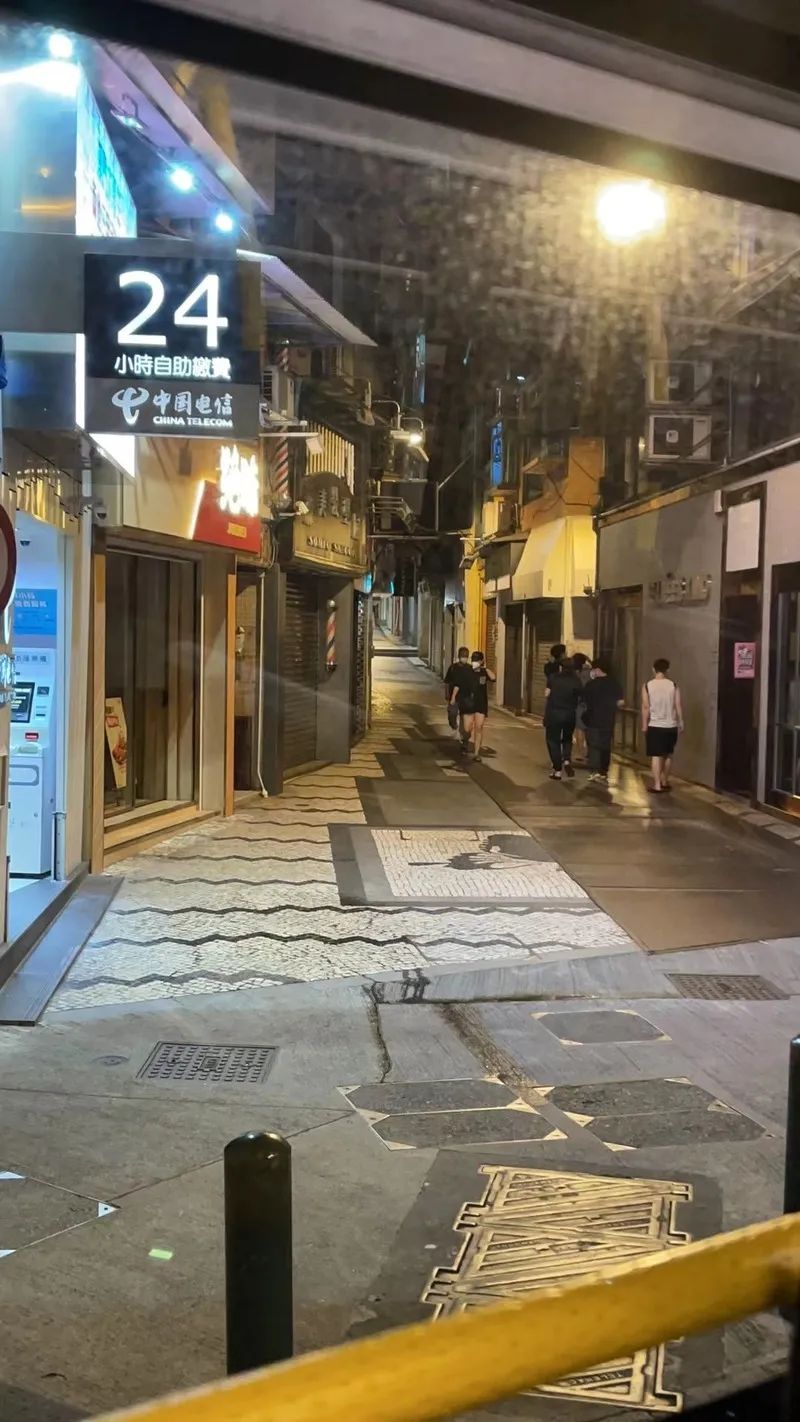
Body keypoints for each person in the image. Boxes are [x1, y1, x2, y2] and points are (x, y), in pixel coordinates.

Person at [641, 657, 684, 793]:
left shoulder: (647, 685)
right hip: (671, 725)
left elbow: (646, 707)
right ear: (667, 670)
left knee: (656, 755)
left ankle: (657, 785)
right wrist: (681, 721)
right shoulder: (673, 685)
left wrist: (644, 724)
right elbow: (678, 705)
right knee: (668, 754)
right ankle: (665, 781)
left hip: (655, 725)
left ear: (653, 669)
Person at [582, 659, 624, 783]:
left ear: (598, 669)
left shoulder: (591, 685)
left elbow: (585, 701)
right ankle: (603, 771)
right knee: (605, 746)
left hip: (593, 719)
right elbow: (621, 702)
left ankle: (594, 770)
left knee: (593, 745)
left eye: (593, 669)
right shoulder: (615, 684)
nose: (592, 672)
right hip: (608, 720)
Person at [543, 656, 581, 779]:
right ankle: (567, 760)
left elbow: (546, 694)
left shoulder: (553, 678)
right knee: (567, 739)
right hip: (570, 714)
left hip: (554, 714)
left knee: (553, 740)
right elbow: (579, 696)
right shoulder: (576, 680)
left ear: (560, 667)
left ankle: (557, 770)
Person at [446, 645, 477, 751]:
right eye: (463, 655)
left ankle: (465, 741)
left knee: (466, 723)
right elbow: (447, 682)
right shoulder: (453, 668)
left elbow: (474, 684)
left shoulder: (470, 669)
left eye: (466, 656)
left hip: (466, 698)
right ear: (459, 656)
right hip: (454, 697)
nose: (464, 657)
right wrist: (448, 695)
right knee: (452, 714)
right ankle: (454, 725)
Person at [468, 650, 495, 760]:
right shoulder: (468, 671)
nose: (475, 662)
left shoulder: (484, 672)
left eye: (477, 660)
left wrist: (486, 668)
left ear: (481, 661)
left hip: (481, 703)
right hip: (468, 703)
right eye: (473, 660)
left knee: (479, 727)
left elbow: (493, 678)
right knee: (468, 728)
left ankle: (476, 753)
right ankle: (464, 742)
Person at [572, 652, 591, 761]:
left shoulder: (575, 674)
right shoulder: (590, 672)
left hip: (579, 704)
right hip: (591, 703)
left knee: (580, 729)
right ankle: (589, 752)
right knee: (589, 729)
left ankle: (580, 753)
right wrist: (589, 660)